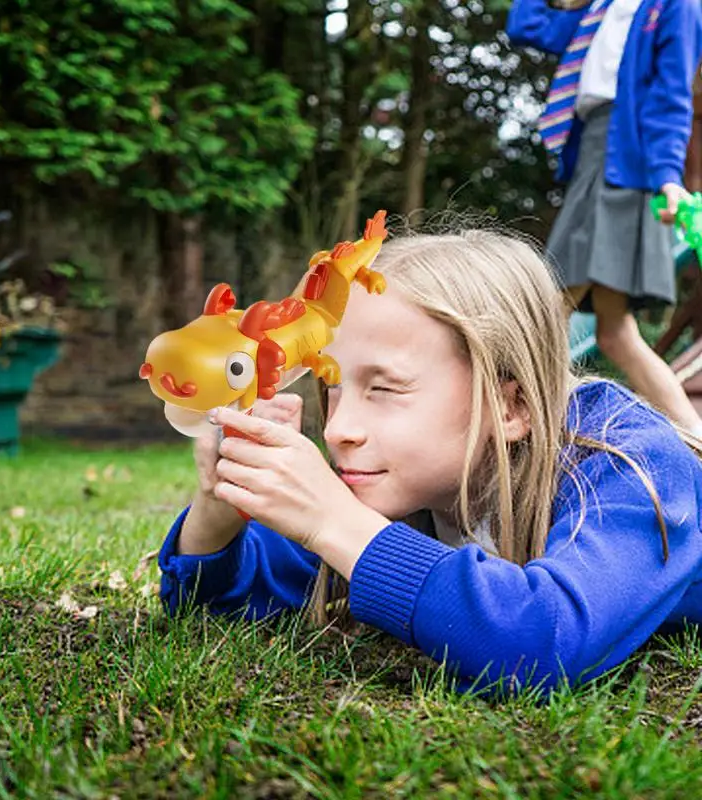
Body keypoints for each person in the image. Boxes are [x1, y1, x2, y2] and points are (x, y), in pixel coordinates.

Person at [158, 230, 702, 696]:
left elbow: (543, 644)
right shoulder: (398, 482)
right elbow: (208, 606)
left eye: (385, 388)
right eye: (334, 388)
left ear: (510, 406)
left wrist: (337, 525)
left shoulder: (627, 462)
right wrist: (219, 508)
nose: (337, 429)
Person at [506, 0, 702, 437]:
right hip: (593, 152)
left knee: (548, 303)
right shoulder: (599, 9)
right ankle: (696, 434)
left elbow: (672, 98)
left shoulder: (675, 7)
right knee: (614, 332)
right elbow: (527, 25)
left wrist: (669, 177)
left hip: (627, 162)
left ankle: (503, 417)